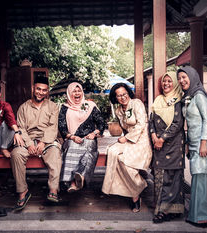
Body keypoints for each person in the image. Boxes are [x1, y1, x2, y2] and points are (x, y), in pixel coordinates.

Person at [10, 76, 62, 210]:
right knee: (16, 154)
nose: (41, 92)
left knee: (55, 153)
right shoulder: (23, 107)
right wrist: (29, 144)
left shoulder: (53, 106)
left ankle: (53, 190)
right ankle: (23, 192)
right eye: (38, 89)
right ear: (33, 89)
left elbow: (52, 127)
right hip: (28, 141)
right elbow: (21, 127)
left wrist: (43, 142)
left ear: (47, 91)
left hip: (47, 141)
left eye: (44, 90)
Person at [102, 83, 152, 212]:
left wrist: (127, 138)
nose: (122, 97)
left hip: (141, 140)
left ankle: (137, 193)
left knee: (125, 162)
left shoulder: (136, 103)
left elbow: (142, 124)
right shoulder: (119, 110)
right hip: (128, 139)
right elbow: (124, 128)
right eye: (119, 95)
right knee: (112, 152)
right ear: (115, 97)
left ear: (128, 93)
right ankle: (126, 189)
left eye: (124, 94)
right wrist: (124, 139)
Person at [177, 66, 207, 227]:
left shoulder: (200, 96)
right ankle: (196, 214)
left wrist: (203, 143)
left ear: (192, 77)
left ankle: (205, 215)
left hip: (205, 142)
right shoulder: (189, 96)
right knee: (197, 177)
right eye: (179, 78)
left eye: (184, 77)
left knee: (204, 178)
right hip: (194, 142)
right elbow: (190, 124)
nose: (181, 81)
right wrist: (188, 143)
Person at [149, 72, 185, 223]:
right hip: (158, 145)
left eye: (170, 81)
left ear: (175, 83)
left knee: (174, 179)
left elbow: (178, 123)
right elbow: (151, 120)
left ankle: (170, 211)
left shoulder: (179, 100)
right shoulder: (158, 100)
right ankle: (161, 209)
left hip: (174, 145)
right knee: (159, 178)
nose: (166, 84)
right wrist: (153, 136)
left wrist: (162, 138)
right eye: (164, 81)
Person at [58, 82, 105, 192]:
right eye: (74, 91)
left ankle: (77, 181)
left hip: (88, 138)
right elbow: (62, 127)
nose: (77, 93)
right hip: (71, 139)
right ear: (69, 93)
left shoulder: (89, 106)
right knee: (71, 146)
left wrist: (94, 133)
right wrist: (72, 137)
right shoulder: (64, 108)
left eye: (79, 91)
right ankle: (71, 180)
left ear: (82, 92)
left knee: (89, 147)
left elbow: (102, 123)